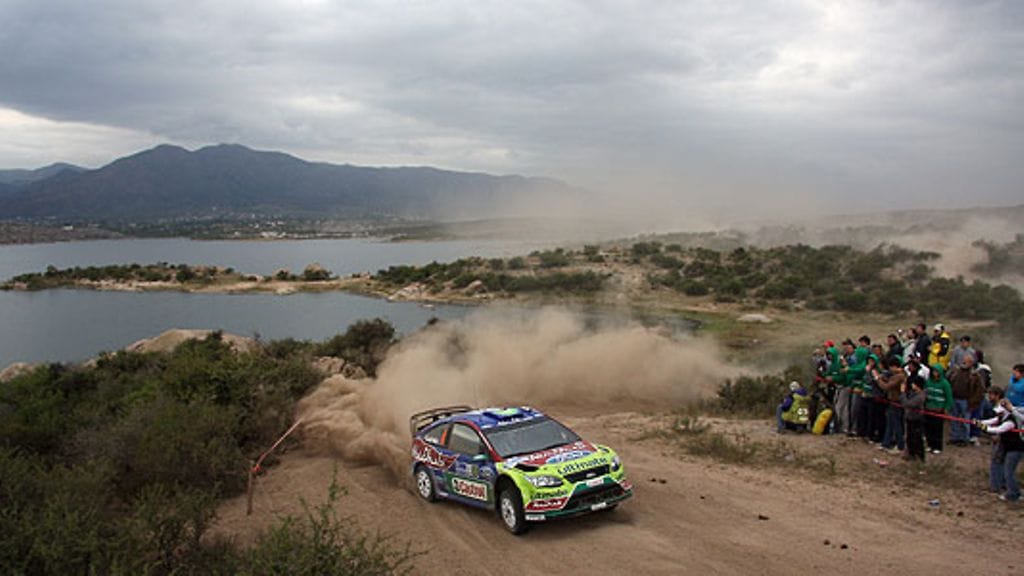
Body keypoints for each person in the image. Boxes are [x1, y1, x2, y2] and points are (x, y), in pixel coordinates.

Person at [976, 392, 1024, 503]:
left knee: (1009, 472)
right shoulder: (1002, 417)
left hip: (1016, 449)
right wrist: (979, 422)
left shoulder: (1010, 422)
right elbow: (992, 421)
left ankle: (1013, 494)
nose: (998, 414)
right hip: (1010, 447)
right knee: (1007, 470)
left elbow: (997, 429)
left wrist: (983, 427)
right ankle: (1013, 491)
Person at [948, 355, 985, 446]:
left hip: (966, 400)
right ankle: (955, 437)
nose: (964, 363)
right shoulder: (956, 372)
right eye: (964, 361)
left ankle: (964, 438)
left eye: (967, 361)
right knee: (954, 419)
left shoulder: (975, 375)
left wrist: (972, 401)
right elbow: (950, 382)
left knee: (965, 421)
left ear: (971, 363)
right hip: (955, 398)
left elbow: (980, 390)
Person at [876, 357, 907, 454]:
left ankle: (900, 445)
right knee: (890, 423)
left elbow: (887, 386)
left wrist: (878, 379)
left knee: (896, 424)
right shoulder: (896, 375)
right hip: (892, 401)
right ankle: (886, 443)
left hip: (897, 402)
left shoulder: (900, 376)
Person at [924, 363, 954, 454]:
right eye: (933, 371)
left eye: (936, 371)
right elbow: (925, 393)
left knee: (937, 429)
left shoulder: (945, 384)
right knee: (929, 428)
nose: (934, 373)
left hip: (938, 409)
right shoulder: (928, 382)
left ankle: (937, 447)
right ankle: (930, 445)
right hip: (929, 408)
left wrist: (946, 408)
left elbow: (949, 397)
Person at [902, 374, 927, 462]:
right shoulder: (913, 393)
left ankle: (920, 456)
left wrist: (902, 394)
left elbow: (909, 404)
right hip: (910, 417)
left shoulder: (920, 396)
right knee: (909, 437)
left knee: (917, 438)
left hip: (916, 419)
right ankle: (911, 454)